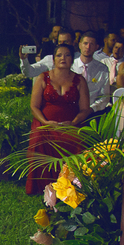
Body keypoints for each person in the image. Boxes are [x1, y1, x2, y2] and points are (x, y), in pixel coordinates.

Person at [26, 43, 89, 195]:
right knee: (39, 137)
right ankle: (41, 186)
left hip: (70, 124)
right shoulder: (43, 77)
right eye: (59, 55)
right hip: (46, 123)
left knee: (78, 140)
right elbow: (34, 106)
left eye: (67, 55)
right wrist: (46, 122)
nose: (63, 58)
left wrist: (73, 123)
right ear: (53, 59)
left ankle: (71, 184)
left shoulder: (79, 80)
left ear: (72, 59)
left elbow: (85, 109)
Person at [72, 31, 111, 112]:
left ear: (96, 47)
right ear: (80, 45)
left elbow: (105, 96)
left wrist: (91, 109)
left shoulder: (102, 69)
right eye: (85, 43)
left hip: (93, 112)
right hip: (71, 110)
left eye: (91, 44)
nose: (88, 47)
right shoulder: (71, 66)